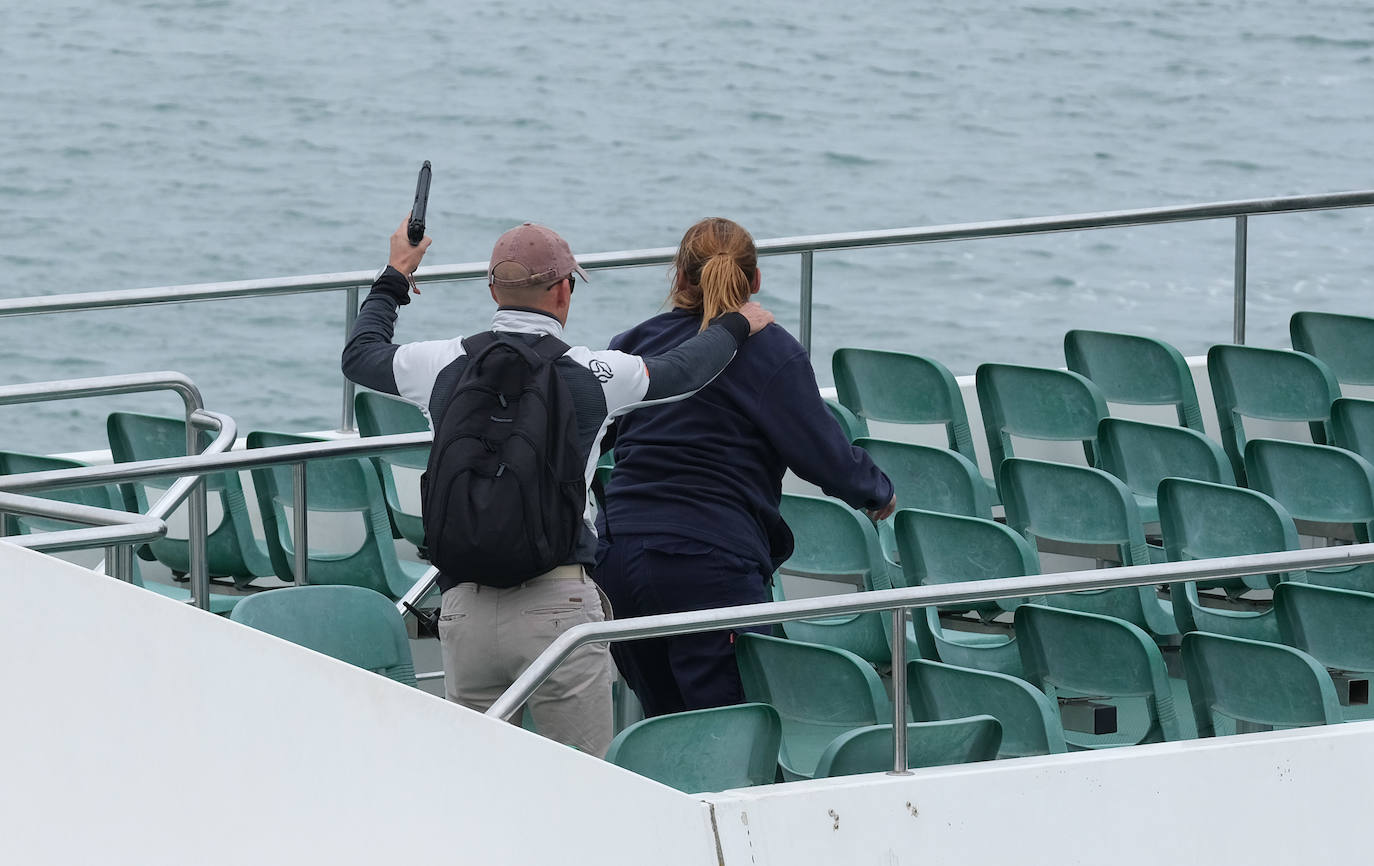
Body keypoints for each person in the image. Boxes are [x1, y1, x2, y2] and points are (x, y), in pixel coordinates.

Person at [341, 217, 774, 756]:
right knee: (583, 791)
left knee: (472, 785)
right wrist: (736, 324)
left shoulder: (439, 364)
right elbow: (682, 371)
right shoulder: (596, 372)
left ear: (493, 290)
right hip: (558, 610)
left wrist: (396, 274)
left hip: (463, 609)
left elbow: (360, 354)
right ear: (564, 290)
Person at [595, 216, 896, 719]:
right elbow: (820, 451)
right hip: (709, 564)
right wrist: (876, 492)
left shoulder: (633, 342)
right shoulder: (769, 348)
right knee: (741, 734)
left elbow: (590, 431)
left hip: (620, 559)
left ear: (680, 278)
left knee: (667, 732)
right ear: (753, 281)